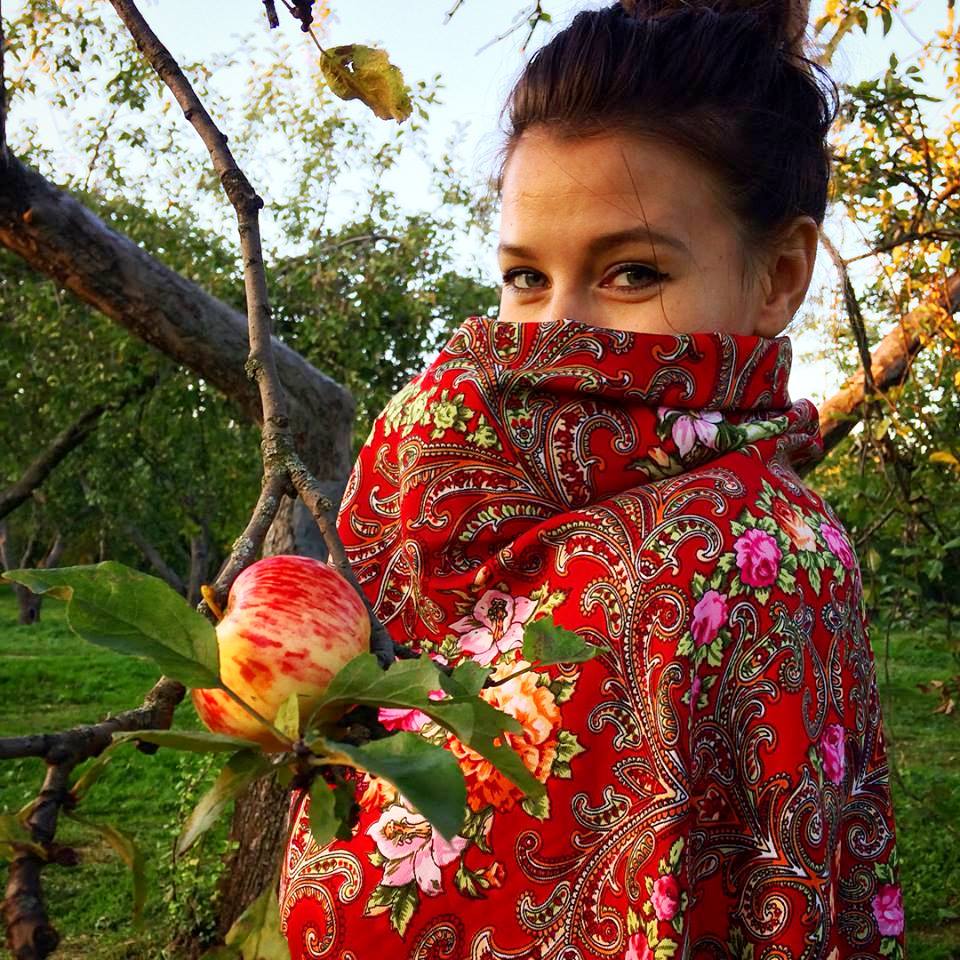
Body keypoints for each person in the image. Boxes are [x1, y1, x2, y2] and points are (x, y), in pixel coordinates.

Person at [279, 2, 905, 957]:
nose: (557, 335)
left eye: (632, 273)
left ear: (779, 276)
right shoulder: (434, 484)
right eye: (527, 278)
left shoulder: (760, 556)